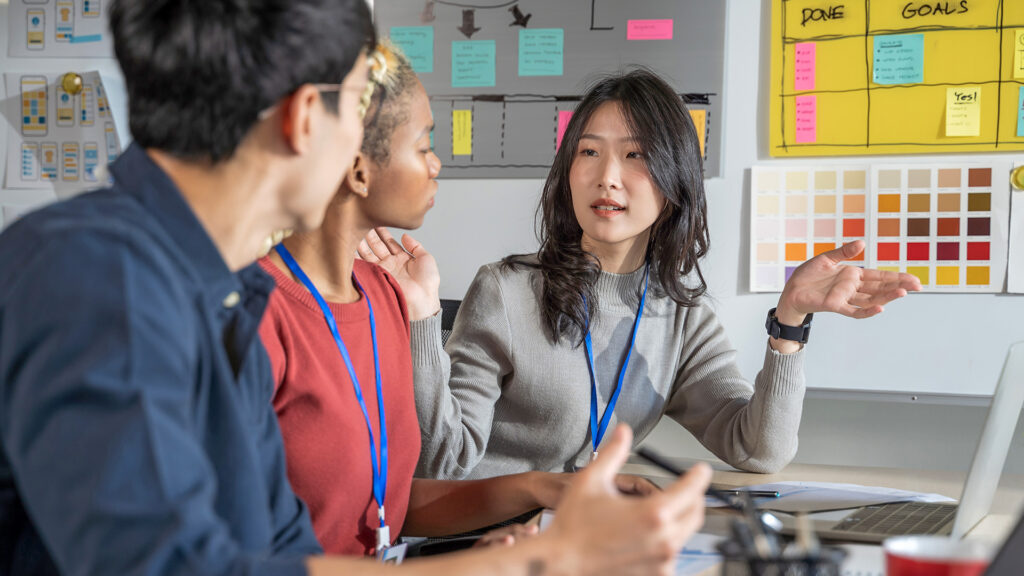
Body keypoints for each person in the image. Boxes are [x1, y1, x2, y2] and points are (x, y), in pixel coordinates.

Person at [0, 2, 711, 575]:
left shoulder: (221, 292)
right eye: (355, 112)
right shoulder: (95, 272)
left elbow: (285, 553)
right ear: (306, 119)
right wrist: (539, 561)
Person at [360, 68, 922, 481]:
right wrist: (422, 318)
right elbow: (442, 460)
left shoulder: (678, 314)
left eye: (635, 156)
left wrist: (790, 322)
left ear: (673, 182)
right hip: (482, 544)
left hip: (581, 544)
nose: (608, 177)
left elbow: (758, 449)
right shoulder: (506, 291)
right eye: (589, 152)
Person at [257, 43, 653, 557]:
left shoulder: (381, 296)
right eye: (423, 144)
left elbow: (387, 505)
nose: (436, 163)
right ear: (358, 169)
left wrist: (547, 489)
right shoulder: (253, 314)